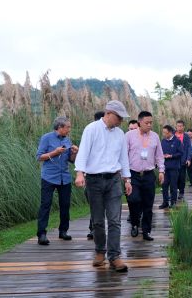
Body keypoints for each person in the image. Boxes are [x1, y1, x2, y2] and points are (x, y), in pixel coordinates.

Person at [74, 100, 132, 272]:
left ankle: (115, 256)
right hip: (94, 180)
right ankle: (100, 251)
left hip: (114, 180)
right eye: (119, 117)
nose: (121, 121)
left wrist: (127, 179)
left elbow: (123, 158)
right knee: (98, 221)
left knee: (115, 220)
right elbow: (83, 151)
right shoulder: (91, 129)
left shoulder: (120, 133)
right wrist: (79, 173)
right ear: (108, 113)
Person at [35, 116, 79, 246]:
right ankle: (42, 234)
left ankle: (63, 231)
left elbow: (71, 160)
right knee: (45, 204)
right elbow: (39, 157)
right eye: (67, 127)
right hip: (48, 177)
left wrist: (74, 153)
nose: (69, 129)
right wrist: (55, 152)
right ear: (60, 127)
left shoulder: (67, 139)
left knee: (65, 205)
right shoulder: (46, 138)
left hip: (64, 177)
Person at [125, 111, 165, 242]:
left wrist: (161, 171)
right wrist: (125, 176)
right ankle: (135, 223)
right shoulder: (129, 136)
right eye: (147, 123)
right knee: (133, 200)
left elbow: (159, 155)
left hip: (148, 174)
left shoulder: (155, 136)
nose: (149, 125)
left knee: (148, 204)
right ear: (139, 123)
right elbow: (124, 155)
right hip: (133, 174)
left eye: (151, 122)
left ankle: (146, 230)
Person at [86, 111, 105, 240]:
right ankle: (94, 229)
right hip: (92, 177)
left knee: (98, 205)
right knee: (95, 205)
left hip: (105, 177)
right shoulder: (90, 132)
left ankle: (96, 229)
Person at [159, 125, 183, 209]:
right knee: (164, 185)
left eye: (165, 133)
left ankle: (173, 203)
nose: (164, 134)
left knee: (173, 186)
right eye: (163, 133)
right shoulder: (163, 141)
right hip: (165, 168)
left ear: (170, 132)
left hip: (174, 167)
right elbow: (159, 152)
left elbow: (180, 153)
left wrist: (171, 156)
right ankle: (165, 202)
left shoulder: (177, 141)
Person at [174, 120, 191, 200]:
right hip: (174, 160)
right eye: (178, 126)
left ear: (183, 127)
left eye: (181, 126)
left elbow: (189, 148)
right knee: (174, 177)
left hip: (183, 160)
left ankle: (181, 192)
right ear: (176, 126)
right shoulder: (173, 135)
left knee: (182, 177)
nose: (179, 128)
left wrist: (188, 159)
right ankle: (174, 191)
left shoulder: (186, 136)